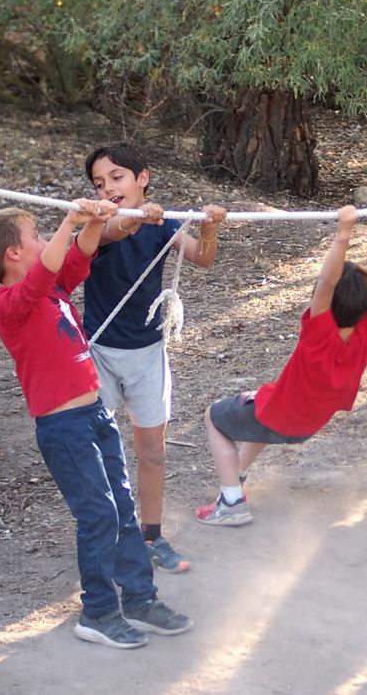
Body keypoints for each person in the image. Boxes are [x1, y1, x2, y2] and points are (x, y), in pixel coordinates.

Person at [0, 200, 192, 648]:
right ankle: (97, 612)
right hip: (64, 427)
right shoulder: (11, 301)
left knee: (123, 509)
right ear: (13, 254)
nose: (41, 241)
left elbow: (77, 257)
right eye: (33, 236)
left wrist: (91, 223)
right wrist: (71, 221)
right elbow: (50, 263)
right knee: (98, 515)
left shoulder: (52, 289)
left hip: (94, 415)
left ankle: (139, 599)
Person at [196, 200, 367, 526]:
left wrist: (344, 232)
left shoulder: (319, 330)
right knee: (260, 402)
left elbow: (326, 282)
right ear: (366, 305)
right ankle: (237, 476)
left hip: (283, 416)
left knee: (214, 417)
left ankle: (230, 503)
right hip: (308, 423)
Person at [82, 143, 227, 573]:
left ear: (142, 177)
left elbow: (202, 257)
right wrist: (132, 219)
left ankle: (151, 535)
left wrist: (212, 226)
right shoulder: (101, 222)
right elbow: (112, 234)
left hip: (147, 354)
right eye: (99, 183)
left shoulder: (163, 225)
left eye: (117, 177)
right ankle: (111, 537)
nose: (108, 188)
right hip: (99, 352)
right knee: (100, 453)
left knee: (152, 453)